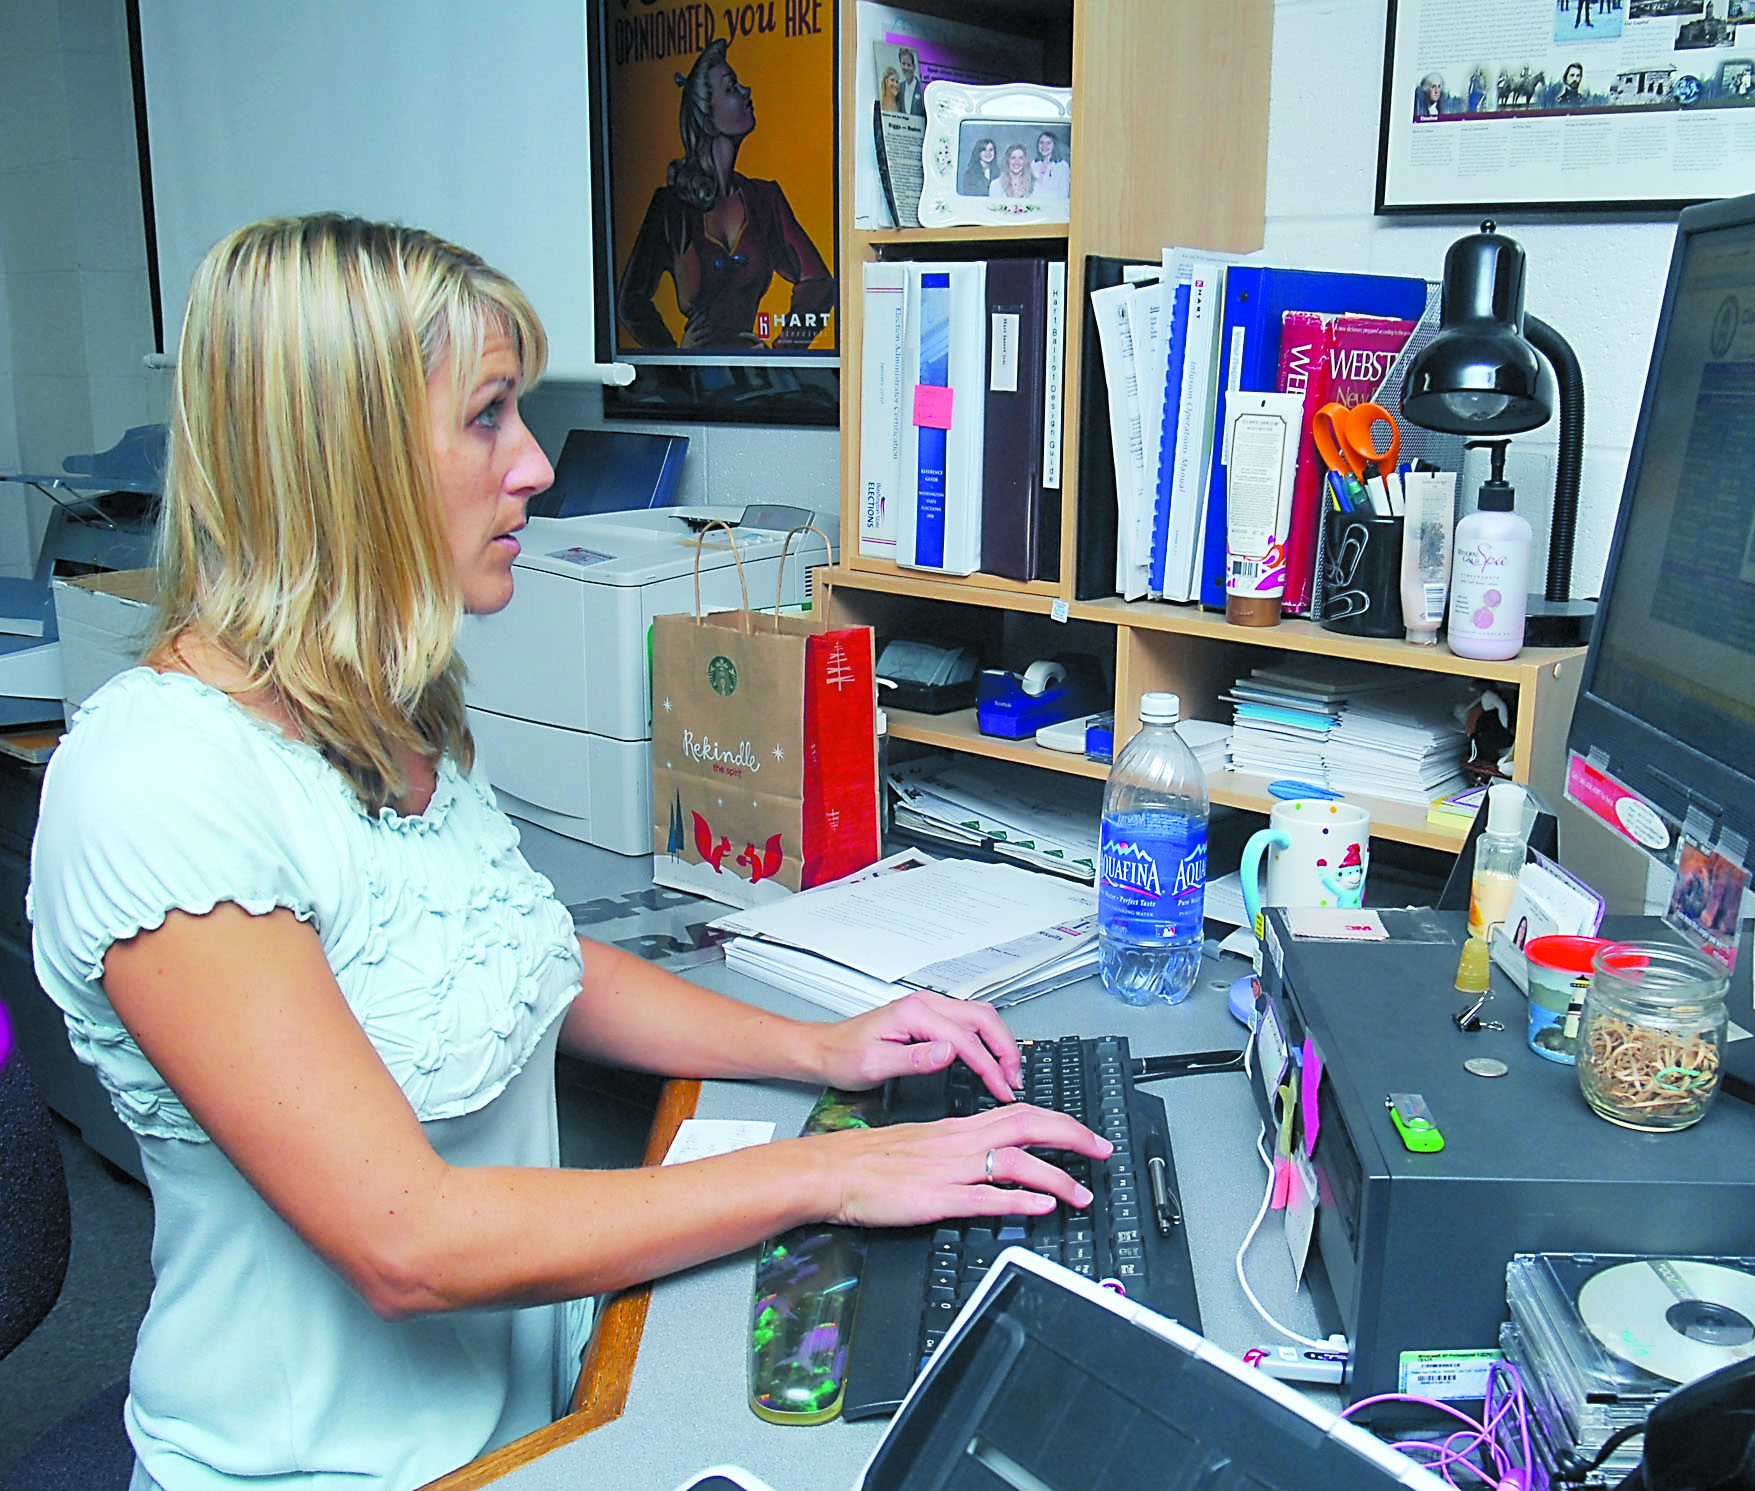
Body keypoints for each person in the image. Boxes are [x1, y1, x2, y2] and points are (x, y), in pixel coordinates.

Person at [28, 214, 1108, 1491]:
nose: (537, 465)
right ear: (344, 455)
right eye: (488, 417)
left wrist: (823, 1050)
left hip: (536, 1427)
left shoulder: (389, 706)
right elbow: (410, 1243)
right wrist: (833, 1171)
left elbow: (527, 958)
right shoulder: (162, 782)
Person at [615, 38, 836, 351]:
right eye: (732, 87)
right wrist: (675, 358)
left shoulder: (765, 199)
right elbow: (630, 302)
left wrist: (782, 351)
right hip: (696, 376)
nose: (746, 91)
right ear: (708, 122)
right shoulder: (670, 207)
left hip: (755, 374)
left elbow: (820, 283)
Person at [1030, 131, 1069, 198]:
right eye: (1041, 142)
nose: (1044, 146)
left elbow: (1064, 193)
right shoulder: (1034, 164)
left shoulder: (1062, 166)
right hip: (1035, 202)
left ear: (1054, 145)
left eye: (1048, 143)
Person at [895, 46, 926, 116]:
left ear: (914, 67)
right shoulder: (899, 88)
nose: (906, 68)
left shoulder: (922, 88)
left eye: (909, 65)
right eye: (903, 64)